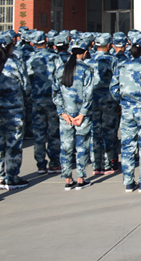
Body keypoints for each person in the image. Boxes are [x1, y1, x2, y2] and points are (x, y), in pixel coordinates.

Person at [111, 35, 141, 193]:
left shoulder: (122, 65)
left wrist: (123, 101)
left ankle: (128, 181)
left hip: (127, 110)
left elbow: (113, 88)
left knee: (127, 145)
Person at [0, 32, 30, 191]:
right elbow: (26, 87)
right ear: (10, 46)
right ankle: (12, 178)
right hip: (14, 111)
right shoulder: (16, 63)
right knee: (13, 145)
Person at [52, 38, 96, 190]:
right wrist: (82, 113)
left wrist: (62, 112)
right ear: (84, 53)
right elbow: (88, 94)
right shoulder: (86, 70)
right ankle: (81, 178)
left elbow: (55, 93)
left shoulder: (61, 69)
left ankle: (68, 179)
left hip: (66, 115)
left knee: (66, 147)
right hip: (81, 116)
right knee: (82, 146)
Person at [24, 30, 61, 175]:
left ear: (33, 43)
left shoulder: (31, 59)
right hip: (52, 100)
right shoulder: (54, 58)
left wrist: (30, 96)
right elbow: (61, 78)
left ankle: (40, 164)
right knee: (53, 132)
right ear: (46, 41)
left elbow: (27, 81)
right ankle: (54, 162)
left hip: (36, 101)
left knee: (39, 134)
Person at [86, 33, 120, 174]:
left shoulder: (88, 61)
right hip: (109, 101)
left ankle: (96, 164)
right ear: (109, 45)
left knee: (95, 132)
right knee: (109, 132)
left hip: (92, 101)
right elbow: (117, 82)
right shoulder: (113, 60)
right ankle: (109, 163)